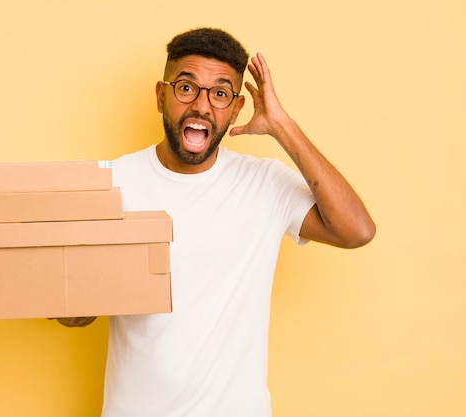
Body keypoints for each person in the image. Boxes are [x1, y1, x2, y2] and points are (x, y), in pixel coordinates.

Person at [56, 27, 376, 417]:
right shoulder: (112, 184)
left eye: (220, 93)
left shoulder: (264, 184)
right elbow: (75, 313)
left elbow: (356, 230)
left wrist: (281, 125)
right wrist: (74, 299)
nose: (202, 107)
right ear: (161, 96)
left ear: (237, 108)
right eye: (186, 88)